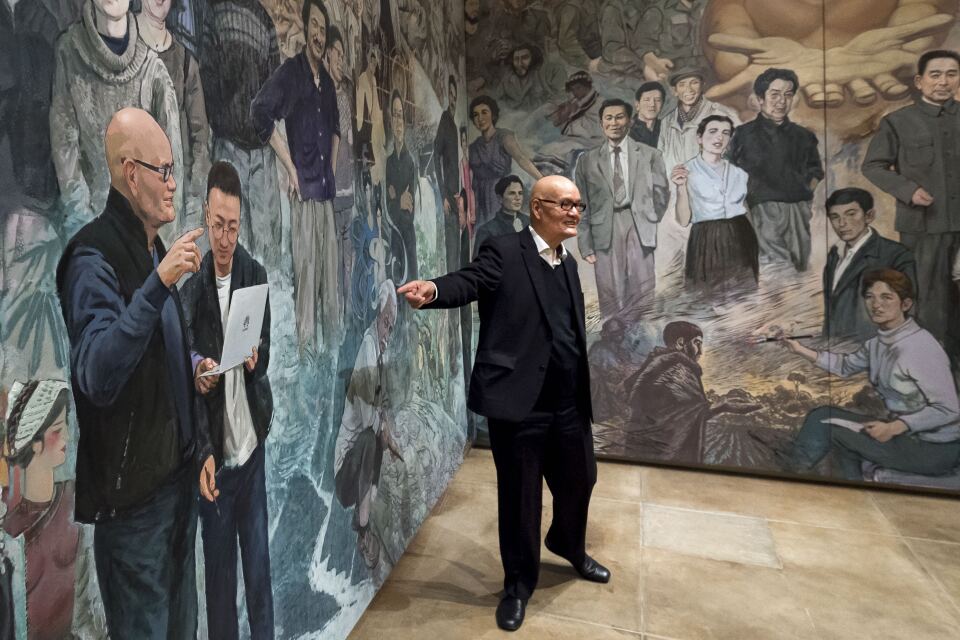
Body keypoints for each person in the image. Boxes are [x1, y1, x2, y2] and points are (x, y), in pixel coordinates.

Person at [397, 176, 610, 632]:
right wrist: (433, 290)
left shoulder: (567, 263)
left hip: (568, 400)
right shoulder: (503, 250)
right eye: (566, 205)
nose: (575, 213)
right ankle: (517, 586)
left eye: (579, 205)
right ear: (537, 208)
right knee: (520, 500)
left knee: (582, 479)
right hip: (520, 402)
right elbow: (468, 281)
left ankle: (567, 544)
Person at [55, 108, 208, 639]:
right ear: (129, 172)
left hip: (175, 491)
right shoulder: (90, 257)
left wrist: (202, 446)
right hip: (134, 511)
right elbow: (97, 371)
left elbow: (165, 358)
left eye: (173, 170)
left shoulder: (153, 250)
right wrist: (157, 285)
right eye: (162, 170)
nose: (172, 184)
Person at [181, 161, 274, 640]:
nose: (224, 237)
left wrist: (257, 359)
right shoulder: (192, 288)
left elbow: (268, 350)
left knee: (259, 578)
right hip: (214, 463)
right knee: (219, 592)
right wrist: (199, 367)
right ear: (205, 215)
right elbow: (186, 368)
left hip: (251, 451)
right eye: (217, 224)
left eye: (232, 226)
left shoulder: (255, 273)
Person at [781, 269, 960, 480]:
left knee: (830, 430)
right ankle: (847, 488)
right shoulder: (877, 344)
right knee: (822, 415)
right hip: (906, 436)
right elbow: (845, 365)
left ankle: (792, 475)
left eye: (886, 297)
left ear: (906, 304)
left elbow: (949, 409)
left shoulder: (920, 346)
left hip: (935, 448)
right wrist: (800, 349)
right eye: (870, 297)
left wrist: (894, 427)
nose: (876, 305)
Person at [50, 0, 182, 239]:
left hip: (145, 241)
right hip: (90, 240)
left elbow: (171, 173)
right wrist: (91, 238)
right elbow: (65, 155)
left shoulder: (153, 71)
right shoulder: (68, 53)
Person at [252, 0, 341, 349]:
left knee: (330, 290)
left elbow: (335, 127)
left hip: (325, 194)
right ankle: (307, 361)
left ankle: (331, 362)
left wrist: (330, 171)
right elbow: (260, 112)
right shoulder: (292, 73)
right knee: (306, 286)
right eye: (314, 26)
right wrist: (290, 168)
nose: (318, 35)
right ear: (305, 29)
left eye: (323, 28)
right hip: (303, 195)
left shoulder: (329, 85)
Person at [862, 49, 960, 366]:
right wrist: (909, 190)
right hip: (924, 227)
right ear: (919, 81)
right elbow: (873, 166)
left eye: (951, 74)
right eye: (936, 74)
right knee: (929, 303)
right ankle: (932, 370)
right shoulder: (898, 122)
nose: (944, 82)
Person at [199, 0, 282, 271]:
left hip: (261, 153)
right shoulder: (215, 13)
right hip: (228, 148)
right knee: (228, 241)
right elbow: (207, 76)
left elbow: (275, 87)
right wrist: (225, 121)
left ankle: (263, 310)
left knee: (266, 244)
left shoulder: (265, 22)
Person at [575, 98, 670, 319]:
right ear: (601, 123)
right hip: (603, 228)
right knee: (609, 289)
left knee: (642, 287)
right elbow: (580, 204)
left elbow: (662, 193)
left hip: (638, 224)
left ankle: (643, 339)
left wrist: (648, 217)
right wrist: (585, 243)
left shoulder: (649, 155)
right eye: (608, 118)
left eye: (619, 117)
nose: (614, 123)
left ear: (629, 120)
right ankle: (613, 339)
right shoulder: (587, 161)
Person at [2, 380, 80, 640]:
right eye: (58, 428)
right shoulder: (11, 531)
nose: (67, 437)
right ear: (34, 442)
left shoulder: (74, 500)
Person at [334, 281, 402, 570]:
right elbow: (366, 417)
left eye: (392, 323)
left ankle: (367, 513)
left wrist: (390, 432)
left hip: (359, 464)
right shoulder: (367, 347)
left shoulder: (380, 351)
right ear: (378, 316)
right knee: (370, 438)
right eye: (386, 320)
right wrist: (385, 432)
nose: (389, 327)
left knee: (378, 436)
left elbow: (382, 405)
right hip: (344, 477)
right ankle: (362, 530)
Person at [729, 68, 823, 272]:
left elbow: (816, 171)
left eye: (788, 95)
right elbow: (729, 172)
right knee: (775, 270)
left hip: (798, 209)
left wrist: (804, 197)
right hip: (760, 210)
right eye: (775, 94)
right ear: (760, 99)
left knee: (800, 266)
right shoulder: (742, 135)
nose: (782, 101)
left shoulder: (804, 136)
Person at [626, 322, 759, 463]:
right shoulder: (679, 369)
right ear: (681, 342)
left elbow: (681, 411)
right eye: (697, 343)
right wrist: (725, 406)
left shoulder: (654, 365)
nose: (700, 351)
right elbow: (696, 410)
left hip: (639, 449)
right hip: (665, 456)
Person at [137, 0, 211, 227]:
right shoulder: (125, 51)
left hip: (174, 206)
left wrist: (193, 201)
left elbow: (201, 139)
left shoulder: (186, 62)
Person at [672, 115, 759, 293]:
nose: (719, 137)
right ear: (699, 137)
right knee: (708, 296)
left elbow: (745, 210)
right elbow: (683, 220)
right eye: (713, 131)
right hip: (706, 239)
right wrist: (681, 188)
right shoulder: (686, 171)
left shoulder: (738, 173)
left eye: (725, 133)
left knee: (742, 295)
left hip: (740, 236)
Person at [822, 188, 916, 342]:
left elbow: (908, 309)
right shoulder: (834, 254)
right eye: (834, 217)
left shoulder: (896, 255)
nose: (842, 223)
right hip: (836, 347)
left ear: (869, 216)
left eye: (851, 214)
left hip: (874, 346)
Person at [468, 95, 543, 229]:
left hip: (500, 195)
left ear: (493, 115)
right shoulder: (474, 147)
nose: (480, 118)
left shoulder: (503, 137)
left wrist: (542, 180)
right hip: (479, 199)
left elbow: (521, 158)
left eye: (484, 112)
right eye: (475, 115)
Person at [326, 25, 357, 320]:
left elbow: (347, 141)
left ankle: (346, 311)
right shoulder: (323, 93)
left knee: (346, 252)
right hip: (330, 189)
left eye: (342, 55)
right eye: (336, 53)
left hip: (344, 188)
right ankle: (338, 312)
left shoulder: (342, 97)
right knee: (334, 253)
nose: (340, 60)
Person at [385, 90, 418, 281]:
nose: (398, 122)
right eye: (395, 115)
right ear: (390, 121)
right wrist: (398, 201)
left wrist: (395, 200)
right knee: (396, 290)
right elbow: (390, 208)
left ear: (405, 123)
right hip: (395, 239)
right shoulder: (389, 162)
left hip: (407, 238)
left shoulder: (410, 162)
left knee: (411, 294)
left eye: (401, 116)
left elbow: (409, 211)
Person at [474, 175, 531, 259]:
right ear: (500, 198)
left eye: (520, 193)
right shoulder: (487, 231)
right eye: (512, 193)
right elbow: (480, 266)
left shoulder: (530, 223)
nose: (518, 198)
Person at [497, 43, 565, 111]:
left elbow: (561, 94)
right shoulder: (507, 80)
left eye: (524, 58)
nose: (519, 63)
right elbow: (499, 101)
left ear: (533, 58)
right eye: (516, 59)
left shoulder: (548, 71)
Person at [629, 81, 666, 148]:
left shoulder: (667, 129)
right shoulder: (626, 130)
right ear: (637, 104)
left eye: (657, 100)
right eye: (647, 100)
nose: (652, 104)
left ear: (662, 105)